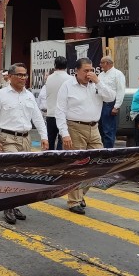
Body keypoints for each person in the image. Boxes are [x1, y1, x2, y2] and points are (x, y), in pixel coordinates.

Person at [0, 62, 49, 224]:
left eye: (25, 75)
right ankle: (8, 206)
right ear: (10, 77)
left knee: (22, 174)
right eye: (19, 75)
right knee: (12, 172)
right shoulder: (1, 94)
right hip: (7, 138)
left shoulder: (29, 95)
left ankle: (14, 204)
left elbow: (37, 117)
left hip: (25, 139)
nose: (23, 78)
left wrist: (44, 137)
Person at [55, 57, 115, 214]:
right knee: (78, 165)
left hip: (94, 128)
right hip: (75, 127)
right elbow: (60, 110)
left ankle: (80, 194)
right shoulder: (68, 85)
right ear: (77, 71)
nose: (89, 74)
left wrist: (98, 82)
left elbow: (111, 98)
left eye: (91, 70)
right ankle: (74, 200)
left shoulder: (97, 84)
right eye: (85, 71)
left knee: (98, 164)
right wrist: (64, 133)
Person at [44, 56, 71, 150]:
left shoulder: (49, 78)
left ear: (55, 65)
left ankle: (49, 160)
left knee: (50, 139)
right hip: (64, 115)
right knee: (62, 140)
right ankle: (59, 161)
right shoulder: (70, 79)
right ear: (66, 66)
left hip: (51, 113)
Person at [98, 56, 126, 148]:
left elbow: (121, 90)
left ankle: (108, 152)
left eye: (102, 62)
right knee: (100, 129)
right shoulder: (101, 75)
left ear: (107, 63)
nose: (100, 64)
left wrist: (116, 106)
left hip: (110, 105)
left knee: (108, 130)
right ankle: (102, 150)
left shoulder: (117, 74)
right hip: (100, 104)